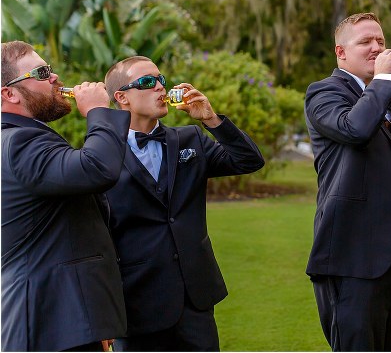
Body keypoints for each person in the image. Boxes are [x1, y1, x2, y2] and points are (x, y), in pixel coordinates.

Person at [102, 56, 265, 351]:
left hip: (196, 298)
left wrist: (212, 121)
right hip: (136, 302)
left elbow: (249, 160)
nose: (160, 87)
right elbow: (97, 237)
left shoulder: (190, 140)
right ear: (122, 97)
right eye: (147, 82)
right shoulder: (100, 154)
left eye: (161, 79)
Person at [304, 12, 391, 351]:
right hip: (352, 260)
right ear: (341, 53)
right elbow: (355, 129)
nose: (376, 48)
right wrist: (383, 82)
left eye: (380, 41)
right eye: (365, 41)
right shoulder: (323, 94)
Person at [1, 41, 129, 351]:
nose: (55, 77)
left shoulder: (20, 138)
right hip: (51, 324)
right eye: (42, 72)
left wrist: (94, 316)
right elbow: (97, 169)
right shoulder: (19, 142)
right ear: (9, 93)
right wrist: (98, 110)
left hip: (66, 319)